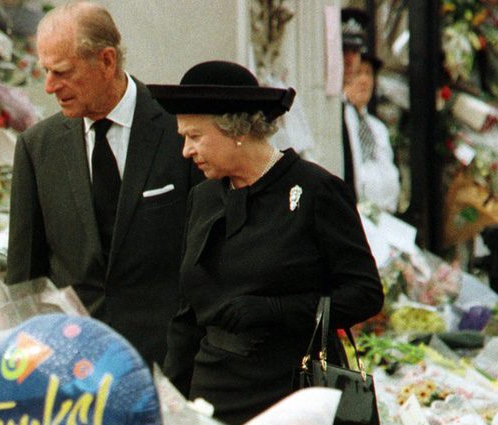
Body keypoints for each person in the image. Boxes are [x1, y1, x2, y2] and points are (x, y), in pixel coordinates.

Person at [148, 61, 384, 424]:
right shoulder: (204, 198)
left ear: (237, 130)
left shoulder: (316, 190)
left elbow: (365, 293)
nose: (186, 151)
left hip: (291, 395)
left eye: (194, 137)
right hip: (211, 397)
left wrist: (276, 310)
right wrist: (169, 404)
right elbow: (187, 317)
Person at [7, 1, 202, 366]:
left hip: (169, 364)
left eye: (62, 72)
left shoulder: (180, 132)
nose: (50, 86)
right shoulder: (37, 148)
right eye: (46, 71)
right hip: (73, 367)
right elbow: (24, 283)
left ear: (107, 61)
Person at [344, 53, 401, 212]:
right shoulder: (342, 120)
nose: (364, 80)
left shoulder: (378, 128)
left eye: (368, 73)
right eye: (358, 73)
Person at [341, 7, 371, 199]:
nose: (350, 59)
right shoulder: (338, 105)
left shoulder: (356, 110)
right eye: (344, 50)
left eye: (356, 51)